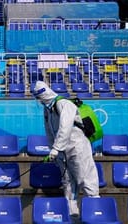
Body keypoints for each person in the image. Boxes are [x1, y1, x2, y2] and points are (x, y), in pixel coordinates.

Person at [33, 81, 99, 217]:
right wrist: (53, 151)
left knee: (86, 179)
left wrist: (56, 148)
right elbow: (50, 132)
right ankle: (72, 215)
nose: (39, 101)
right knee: (68, 183)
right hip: (63, 152)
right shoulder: (48, 110)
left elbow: (65, 127)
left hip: (77, 147)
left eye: (39, 97)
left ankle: (95, 213)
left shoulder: (64, 104)